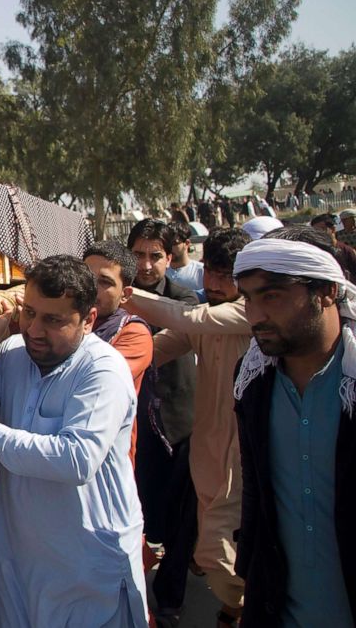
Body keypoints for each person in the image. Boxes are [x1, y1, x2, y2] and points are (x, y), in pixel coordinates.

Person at [0, 255, 148, 627]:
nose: (34, 330)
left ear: (88, 320)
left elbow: (76, 460)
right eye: (29, 314)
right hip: (19, 558)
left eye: (53, 320)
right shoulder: (12, 355)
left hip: (87, 564)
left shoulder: (102, 370)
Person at [125, 227, 253, 627]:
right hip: (205, 452)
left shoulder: (245, 313)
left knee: (216, 555)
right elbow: (160, 347)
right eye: (211, 273)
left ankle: (245, 608)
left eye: (225, 274)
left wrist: (121, 292)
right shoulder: (204, 319)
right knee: (216, 550)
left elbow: (187, 316)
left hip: (239, 455)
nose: (215, 283)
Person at [232, 237, 356, 627]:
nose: (255, 315)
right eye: (248, 299)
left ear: (326, 292)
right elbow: (256, 486)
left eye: (272, 296)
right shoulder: (251, 379)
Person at [126, 219, 198, 548]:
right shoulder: (114, 294)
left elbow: (182, 321)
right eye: (138, 255)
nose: (145, 265)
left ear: (169, 258)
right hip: (133, 419)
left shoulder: (183, 298)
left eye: (154, 256)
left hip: (177, 419)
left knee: (179, 507)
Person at [83, 240, 153, 461]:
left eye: (104, 282)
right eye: (86, 276)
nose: (92, 288)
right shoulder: (60, 322)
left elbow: (93, 383)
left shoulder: (134, 334)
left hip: (107, 462)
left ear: (125, 294)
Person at [310, 213, 356, 279]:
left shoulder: (347, 251)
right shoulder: (315, 252)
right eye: (315, 231)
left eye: (322, 230)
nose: (318, 234)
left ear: (333, 229)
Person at [166, 221, 204, 293]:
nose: (170, 247)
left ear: (187, 243)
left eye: (174, 243)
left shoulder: (201, 271)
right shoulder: (161, 272)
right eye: (167, 243)